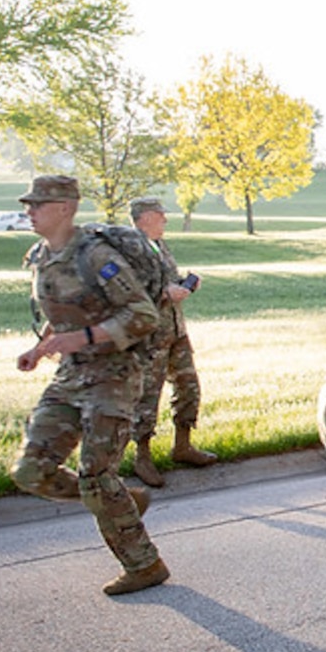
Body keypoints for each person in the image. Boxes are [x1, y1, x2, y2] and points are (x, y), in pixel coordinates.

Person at [9, 175, 169, 596]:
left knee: (96, 476)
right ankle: (122, 502)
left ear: (65, 208)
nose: (30, 211)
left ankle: (145, 565)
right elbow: (64, 314)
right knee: (30, 471)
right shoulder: (44, 255)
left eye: (38, 205)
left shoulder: (95, 256)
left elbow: (143, 315)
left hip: (113, 376)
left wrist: (79, 339)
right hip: (70, 375)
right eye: (29, 205)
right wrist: (42, 346)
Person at [128, 197, 216, 488]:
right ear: (144, 217)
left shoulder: (159, 244)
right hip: (150, 337)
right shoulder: (132, 248)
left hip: (176, 331)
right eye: (160, 215)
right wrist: (165, 293)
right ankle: (142, 456)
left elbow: (163, 280)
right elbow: (128, 292)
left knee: (188, 386)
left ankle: (183, 446)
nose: (165, 219)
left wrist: (183, 283)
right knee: (147, 396)